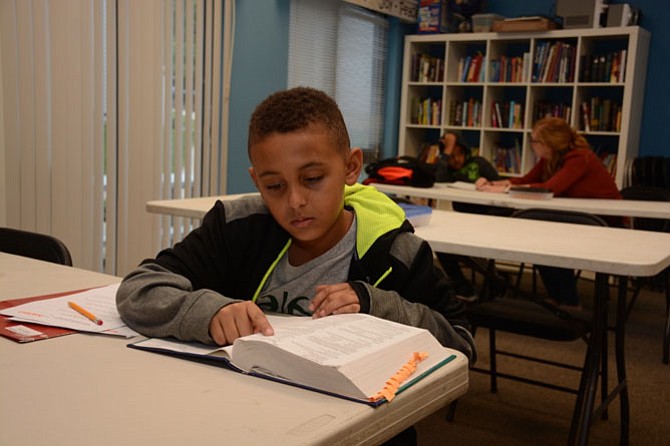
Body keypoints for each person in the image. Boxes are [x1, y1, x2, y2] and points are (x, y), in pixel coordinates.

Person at [116, 87, 476, 375]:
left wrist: (376, 305)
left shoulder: (394, 253)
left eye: (313, 179)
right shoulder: (236, 227)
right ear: (257, 181)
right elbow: (139, 289)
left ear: (351, 168)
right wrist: (208, 313)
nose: (296, 201)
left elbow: (460, 342)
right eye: (274, 186)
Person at [475, 117, 624, 309]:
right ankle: (561, 297)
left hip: (602, 222)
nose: (532, 145)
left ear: (548, 143)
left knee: (549, 239)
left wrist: (504, 190)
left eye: (534, 141)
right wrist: (491, 183)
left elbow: (549, 189)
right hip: (573, 216)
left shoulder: (579, 157)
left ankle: (568, 300)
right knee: (542, 236)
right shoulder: (550, 159)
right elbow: (526, 180)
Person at [434, 132, 509, 302]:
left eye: (460, 154)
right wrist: (447, 151)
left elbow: (500, 188)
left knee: (464, 246)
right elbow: (438, 180)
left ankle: (496, 280)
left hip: (488, 217)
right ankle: (463, 286)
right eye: (452, 156)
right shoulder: (447, 169)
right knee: (444, 245)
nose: (457, 160)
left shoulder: (479, 163)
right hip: (464, 220)